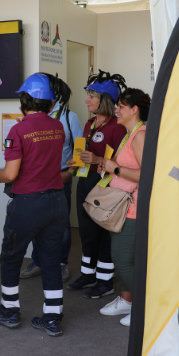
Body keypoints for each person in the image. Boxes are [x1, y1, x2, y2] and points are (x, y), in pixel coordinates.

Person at [0, 73, 70, 337]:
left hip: (27, 205)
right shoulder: (57, 127)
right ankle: (52, 317)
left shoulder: (18, 130)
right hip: (57, 203)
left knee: (11, 256)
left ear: (25, 100)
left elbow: (11, 174)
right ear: (49, 103)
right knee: (50, 259)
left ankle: (10, 310)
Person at [66, 70, 127, 299]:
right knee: (86, 231)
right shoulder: (89, 123)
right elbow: (83, 154)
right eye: (87, 95)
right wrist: (75, 163)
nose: (86, 100)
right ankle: (87, 274)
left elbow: (124, 162)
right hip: (85, 180)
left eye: (92, 96)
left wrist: (99, 160)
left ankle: (105, 280)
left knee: (103, 233)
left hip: (105, 185)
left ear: (105, 100)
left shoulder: (117, 127)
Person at [97, 88, 150, 326]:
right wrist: (109, 167)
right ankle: (128, 302)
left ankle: (145, 308)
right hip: (122, 206)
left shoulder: (140, 135)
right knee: (125, 258)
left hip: (134, 208)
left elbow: (148, 173)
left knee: (122, 260)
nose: (116, 110)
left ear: (134, 109)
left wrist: (115, 169)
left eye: (120, 106)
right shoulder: (130, 133)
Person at [19, 83, 81, 282]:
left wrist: (70, 173)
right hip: (37, 179)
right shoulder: (32, 117)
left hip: (61, 177)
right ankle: (38, 261)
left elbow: (80, 148)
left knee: (60, 224)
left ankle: (60, 264)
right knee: (38, 222)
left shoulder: (69, 117)